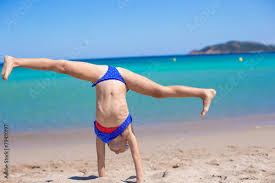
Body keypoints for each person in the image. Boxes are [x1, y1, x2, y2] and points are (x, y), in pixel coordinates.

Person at [1, 56, 216, 183]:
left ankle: (203, 93)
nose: (117, 152)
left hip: (103, 78)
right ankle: (16, 61)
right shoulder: (127, 132)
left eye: (117, 152)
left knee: (160, 91)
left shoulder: (100, 134)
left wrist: (101, 177)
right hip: (118, 75)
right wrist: (140, 179)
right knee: (63, 66)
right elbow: (137, 156)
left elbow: (100, 163)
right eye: (120, 151)